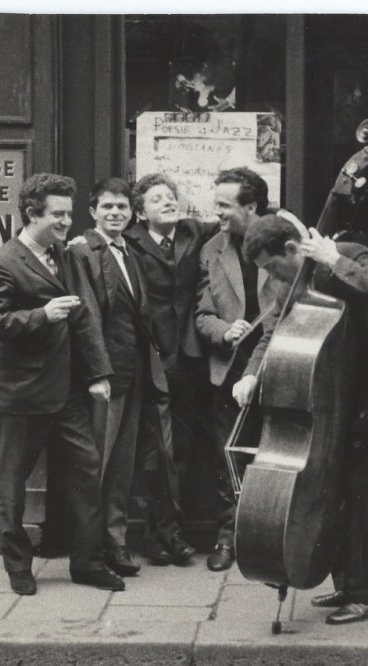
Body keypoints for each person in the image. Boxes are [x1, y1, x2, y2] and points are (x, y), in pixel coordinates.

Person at [232, 213, 368, 625]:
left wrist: (333, 260)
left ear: (292, 250)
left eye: (274, 266)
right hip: (328, 407)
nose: (272, 277)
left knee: (363, 503)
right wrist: (249, 375)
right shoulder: (285, 281)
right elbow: (272, 332)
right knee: (334, 498)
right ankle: (348, 585)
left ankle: (365, 595)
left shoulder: (348, 253)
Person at [0, 173, 124, 595]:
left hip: (67, 393)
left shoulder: (67, 255)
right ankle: (19, 568)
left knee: (87, 472)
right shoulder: (1, 262)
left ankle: (87, 564)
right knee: (11, 487)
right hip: (20, 396)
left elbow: (85, 319)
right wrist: (42, 315)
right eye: (57, 214)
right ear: (31, 213)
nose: (65, 222)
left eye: (69, 214)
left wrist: (98, 375)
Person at [65, 177, 185, 577]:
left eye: (121, 208)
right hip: (106, 377)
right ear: (92, 212)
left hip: (134, 373)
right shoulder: (84, 251)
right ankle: (91, 550)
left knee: (120, 466)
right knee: (97, 465)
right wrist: (98, 372)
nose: (115, 213)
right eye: (107, 208)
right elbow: (86, 317)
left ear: (131, 213)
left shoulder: (128, 251)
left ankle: (115, 544)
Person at [124, 172, 219, 565]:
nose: (167, 202)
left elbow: (243, 220)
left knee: (180, 449)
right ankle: (163, 534)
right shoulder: (128, 242)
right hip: (151, 358)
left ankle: (163, 535)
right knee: (155, 451)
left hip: (189, 357)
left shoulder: (193, 231)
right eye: (157, 199)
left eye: (171, 196)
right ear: (140, 212)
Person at [195, 167, 283, 572]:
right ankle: (228, 539)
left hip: (281, 366)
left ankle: (273, 540)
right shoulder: (212, 248)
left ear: (251, 207)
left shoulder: (284, 242)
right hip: (229, 370)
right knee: (226, 459)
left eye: (226, 206)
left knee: (277, 458)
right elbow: (202, 314)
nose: (218, 213)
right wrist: (222, 329)